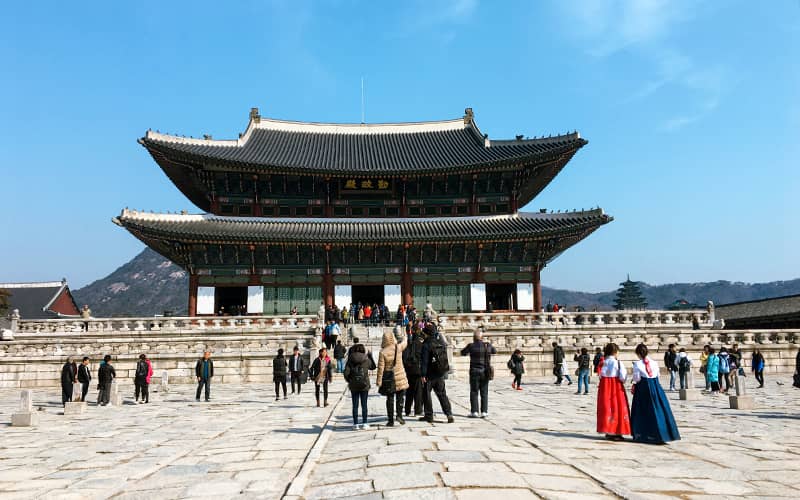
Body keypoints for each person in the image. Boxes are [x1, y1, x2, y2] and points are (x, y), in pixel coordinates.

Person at [630, 344, 681, 444]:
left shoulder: (637, 364)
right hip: (656, 386)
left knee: (643, 411)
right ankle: (662, 434)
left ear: (638, 353)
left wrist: (634, 382)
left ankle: (644, 433)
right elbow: (658, 374)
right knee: (659, 409)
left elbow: (637, 378)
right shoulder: (654, 362)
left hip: (643, 388)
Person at [420, 323, 454, 423]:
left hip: (429, 375)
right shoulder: (441, 342)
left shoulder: (426, 344)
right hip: (440, 373)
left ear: (426, 334)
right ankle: (449, 414)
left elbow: (424, 361)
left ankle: (429, 415)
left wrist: (423, 374)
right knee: (442, 394)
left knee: (426, 395)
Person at [596, 343, 630, 441]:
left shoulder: (603, 362)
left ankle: (608, 430)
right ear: (615, 352)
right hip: (616, 387)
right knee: (618, 408)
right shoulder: (618, 363)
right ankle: (617, 431)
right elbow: (623, 377)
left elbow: (600, 376)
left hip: (605, 388)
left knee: (607, 408)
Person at [460, 328, 497, 418]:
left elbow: (463, 353)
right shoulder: (487, 345)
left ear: (474, 338)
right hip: (485, 371)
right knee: (484, 392)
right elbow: (494, 351)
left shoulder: (471, 346)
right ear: (482, 337)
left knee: (474, 392)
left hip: (474, 371)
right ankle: (484, 411)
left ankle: (474, 412)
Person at [376, 327, 409, 426]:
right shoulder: (398, 348)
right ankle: (399, 415)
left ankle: (390, 420)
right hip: (400, 376)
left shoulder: (382, 352)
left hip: (389, 379)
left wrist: (379, 381)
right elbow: (405, 343)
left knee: (389, 399)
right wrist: (405, 336)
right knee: (400, 397)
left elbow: (380, 368)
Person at [344, 343, 373, 430]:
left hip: (354, 386)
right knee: (364, 405)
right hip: (364, 385)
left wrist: (350, 381)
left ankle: (355, 424)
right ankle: (364, 423)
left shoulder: (350, 359)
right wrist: (370, 356)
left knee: (355, 405)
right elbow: (373, 367)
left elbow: (346, 373)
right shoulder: (366, 359)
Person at [403, 325, 425, 417]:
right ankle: (418, 410)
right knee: (418, 391)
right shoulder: (421, 344)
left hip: (409, 370)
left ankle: (407, 410)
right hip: (418, 370)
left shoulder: (409, 344)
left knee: (409, 391)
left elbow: (404, 357)